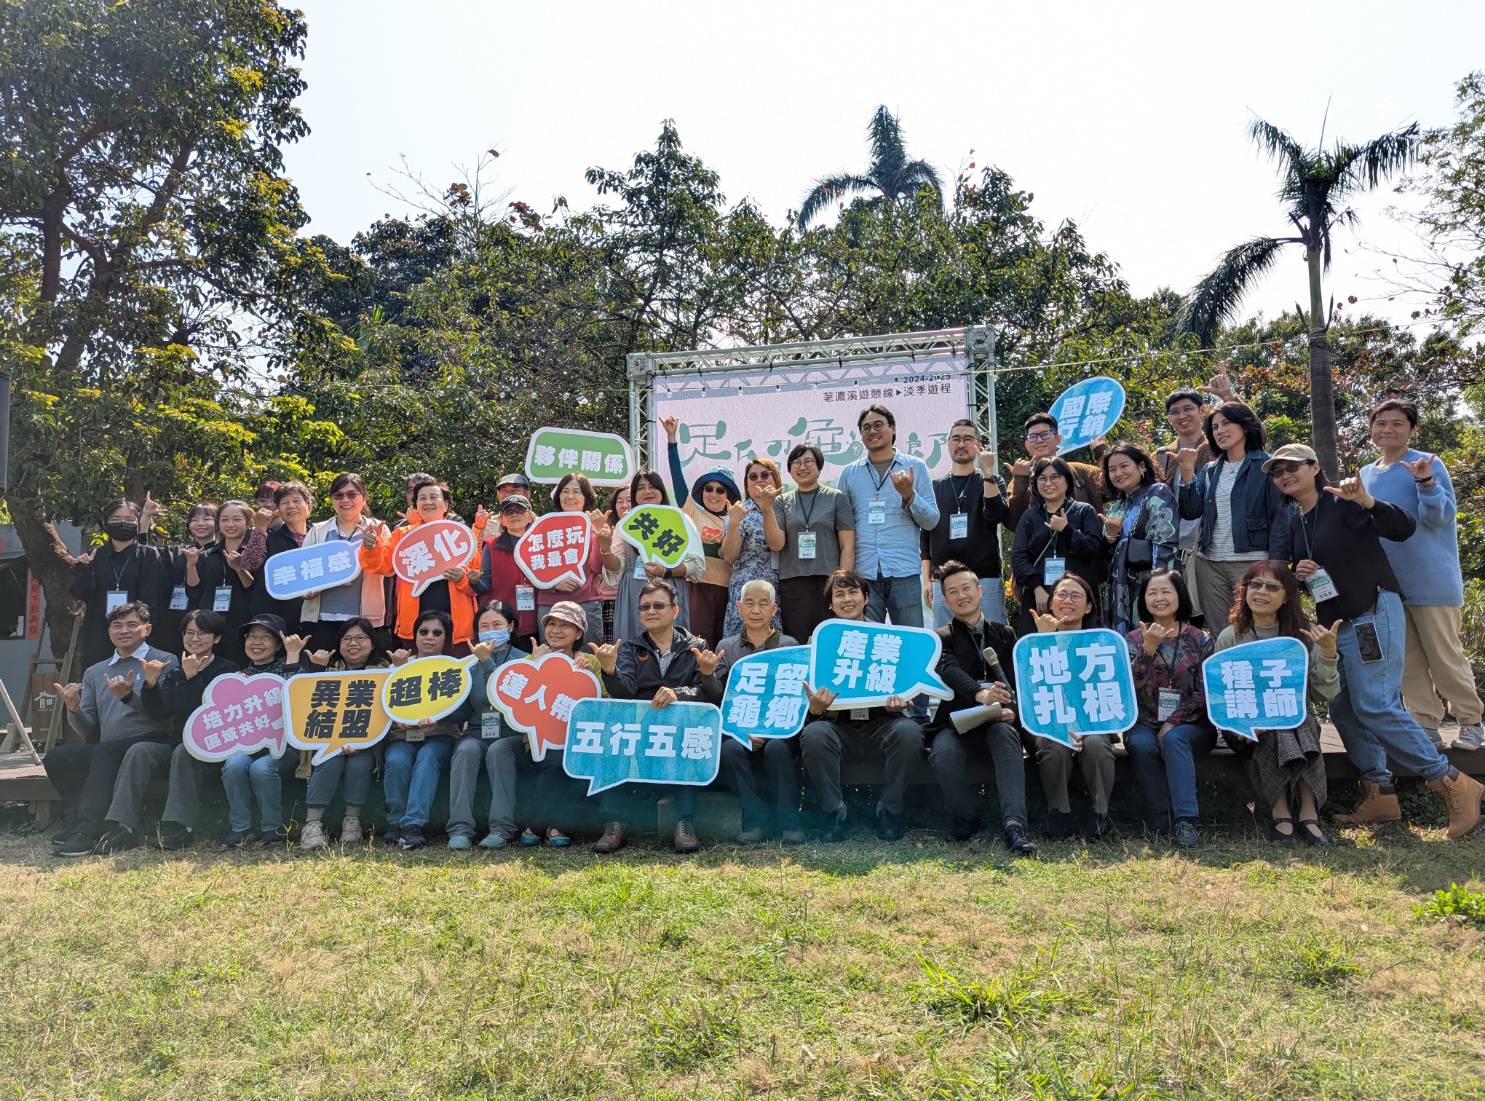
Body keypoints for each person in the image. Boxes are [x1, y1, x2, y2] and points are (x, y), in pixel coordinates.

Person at [1269, 443, 1483, 838]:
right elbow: (1321, 572)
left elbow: (1403, 527)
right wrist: (1303, 572)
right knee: (1345, 709)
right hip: (1339, 624)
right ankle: (1380, 793)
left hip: (1372, 612)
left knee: (1374, 703)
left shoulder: (1345, 501)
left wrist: (1368, 501)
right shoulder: (1298, 519)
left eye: (1292, 467)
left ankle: (1453, 782)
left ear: (1315, 467)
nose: (1285, 475)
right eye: (1278, 471)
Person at [1360, 399, 1483, 751]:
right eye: (1380, 423)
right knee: (1407, 661)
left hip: (1432, 581)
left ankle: (1471, 722)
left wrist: (1426, 482)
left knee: (1445, 657)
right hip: (1388, 585)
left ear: (1412, 429)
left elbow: (1441, 517)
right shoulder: (1368, 474)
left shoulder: (1427, 463)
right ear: (1371, 430)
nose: (1387, 430)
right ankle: (1425, 725)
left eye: (1397, 424)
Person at [1216, 562, 1341, 847]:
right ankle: (1289, 812)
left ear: (1286, 597)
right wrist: (1242, 724)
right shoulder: (1231, 636)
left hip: (1297, 722)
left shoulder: (1304, 635)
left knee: (1293, 721)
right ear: (1244, 591)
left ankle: (1300, 813)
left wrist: (1329, 652)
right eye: (1255, 585)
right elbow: (1220, 694)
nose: (1262, 592)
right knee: (1279, 724)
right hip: (1244, 728)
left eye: (1272, 587)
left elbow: (1324, 693)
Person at [797, 570, 926, 842]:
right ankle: (835, 813)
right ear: (830, 604)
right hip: (837, 726)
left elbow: (904, 688)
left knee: (909, 732)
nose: (847, 600)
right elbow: (808, 708)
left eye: (853, 592)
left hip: (881, 723)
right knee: (814, 734)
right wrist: (817, 709)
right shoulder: (819, 642)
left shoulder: (889, 640)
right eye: (839, 595)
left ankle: (889, 811)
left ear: (866, 598)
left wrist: (899, 704)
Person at [589, 579, 713, 854]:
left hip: (680, 728)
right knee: (615, 741)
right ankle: (614, 823)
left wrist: (678, 693)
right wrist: (610, 671)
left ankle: (684, 822)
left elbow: (707, 692)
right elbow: (626, 691)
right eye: (645, 607)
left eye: (659, 605)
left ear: (675, 610)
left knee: (688, 742)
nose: (651, 611)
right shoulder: (631, 648)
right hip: (641, 728)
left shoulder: (696, 645)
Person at [46, 603, 179, 857]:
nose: (123, 631)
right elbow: (88, 727)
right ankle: (77, 819)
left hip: (154, 741)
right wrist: (73, 708)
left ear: (147, 629)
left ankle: (87, 830)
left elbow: (165, 713)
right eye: (117, 626)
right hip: (109, 748)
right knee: (57, 756)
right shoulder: (96, 671)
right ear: (108, 632)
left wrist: (130, 697)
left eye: (132, 625)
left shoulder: (163, 661)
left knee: (103, 752)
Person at [927, 561, 1035, 855]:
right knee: (944, 752)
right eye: (952, 592)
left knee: (1006, 736)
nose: (961, 596)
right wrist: (979, 694)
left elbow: (1017, 682)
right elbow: (947, 669)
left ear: (980, 590)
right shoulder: (939, 638)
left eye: (966, 588)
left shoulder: (1005, 633)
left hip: (997, 721)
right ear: (945, 600)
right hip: (954, 722)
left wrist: (1010, 707)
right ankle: (964, 818)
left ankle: (1015, 825)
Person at [125, 611, 239, 850]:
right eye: (189, 633)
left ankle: (179, 826)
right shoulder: (175, 671)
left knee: (184, 752)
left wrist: (192, 677)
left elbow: (209, 714)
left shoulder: (227, 669)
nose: (194, 639)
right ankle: (122, 824)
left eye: (202, 633)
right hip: (177, 742)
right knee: (140, 750)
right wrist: (151, 683)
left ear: (216, 638)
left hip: (214, 747)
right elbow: (160, 713)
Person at [705, 579, 804, 843]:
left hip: (779, 728)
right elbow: (720, 697)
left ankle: (789, 822)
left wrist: (769, 732)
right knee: (730, 750)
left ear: (775, 610)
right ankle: (755, 821)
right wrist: (706, 675)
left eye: (763, 604)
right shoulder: (725, 647)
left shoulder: (789, 645)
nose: (756, 610)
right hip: (739, 729)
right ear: (739, 608)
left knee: (777, 750)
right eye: (749, 603)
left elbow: (793, 697)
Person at [1176, 401, 1288, 628]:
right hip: (1209, 564)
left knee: (1258, 626)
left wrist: (1276, 564)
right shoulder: (1210, 469)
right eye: (1215, 427)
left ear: (1245, 426)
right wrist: (1187, 471)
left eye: (1226, 423)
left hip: (1253, 561)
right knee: (1221, 630)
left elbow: (1280, 517)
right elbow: (1190, 511)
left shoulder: (1267, 465)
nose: (1219, 431)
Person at [1122, 570, 1215, 847]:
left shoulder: (1201, 640)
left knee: (1174, 739)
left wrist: (1174, 721)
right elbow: (1126, 687)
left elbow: (1207, 692)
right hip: (1145, 721)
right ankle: (1160, 815)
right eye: (1152, 592)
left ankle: (1186, 820)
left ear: (1179, 596)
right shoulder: (1132, 640)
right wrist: (1147, 651)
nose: (1159, 598)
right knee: (1140, 743)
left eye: (1166, 591)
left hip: (1192, 725)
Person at [1028, 574, 1118, 839]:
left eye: (1076, 595)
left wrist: (1085, 725)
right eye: (1061, 595)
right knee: (1053, 745)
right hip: (1051, 721)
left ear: (1089, 606)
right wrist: (1043, 640)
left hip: (1093, 722)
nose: (1067, 600)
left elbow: (1113, 690)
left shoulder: (1102, 643)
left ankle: (1101, 814)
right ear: (1051, 602)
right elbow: (1030, 689)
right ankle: (1059, 813)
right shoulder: (1031, 642)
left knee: (1095, 745)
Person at [291, 618, 391, 850]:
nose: (352, 644)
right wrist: (315, 670)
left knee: (359, 762)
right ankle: (312, 824)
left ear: (372, 643)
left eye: (360, 638)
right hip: (328, 740)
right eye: (346, 639)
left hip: (369, 743)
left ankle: (352, 821)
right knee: (329, 760)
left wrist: (363, 742)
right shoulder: (326, 670)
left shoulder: (386, 672)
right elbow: (305, 709)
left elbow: (387, 715)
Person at [446, 602, 540, 849]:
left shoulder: (525, 661)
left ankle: (502, 828)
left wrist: (487, 664)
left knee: (499, 750)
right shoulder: (467, 665)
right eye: (483, 626)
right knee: (465, 751)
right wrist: (435, 712)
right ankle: (460, 828)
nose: (490, 631)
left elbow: (508, 698)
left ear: (510, 627)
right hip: (477, 730)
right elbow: (464, 709)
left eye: (497, 625)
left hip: (512, 733)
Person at [835, 404, 939, 626]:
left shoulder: (915, 466)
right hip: (863, 574)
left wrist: (909, 495)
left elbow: (931, 521)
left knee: (910, 641)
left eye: (878, 425)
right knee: (867, 642)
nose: (872, 431)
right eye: (866, 428)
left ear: (892, 428)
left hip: (904, 572)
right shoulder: (850, 473)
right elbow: (842, 526)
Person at [360, 476, 482, 651]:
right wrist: (370, 548)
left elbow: (477, 585)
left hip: (458, 629)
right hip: (414, 627)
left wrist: (462, 579)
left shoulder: (461, 536)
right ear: (415, 505)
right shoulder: (402, 535)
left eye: (434, 497)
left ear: (446, 505)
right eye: (422, 498)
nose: (428, 502)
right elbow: (381, 566)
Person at [1154, 368, 1237, 623]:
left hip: (1213, 545)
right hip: (1172, 549)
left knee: (1219, 617)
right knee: (1178, 618)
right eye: (1174, 412)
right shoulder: (1161, 455)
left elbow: (1251, 435)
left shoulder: (1219, 447)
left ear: (1202, 411)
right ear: (1169, 419)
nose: (1182, 416)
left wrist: (1227, 397)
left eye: (1188, 408)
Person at [382, 609, 469, 849]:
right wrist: (395, 718)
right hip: (402, 735)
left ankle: (412, 824)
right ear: (415, 635)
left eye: (437, 633)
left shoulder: (454, 669)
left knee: (427, 758)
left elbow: (464, 711)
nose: (429, 637)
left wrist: (440, 719)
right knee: (397, 761)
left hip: (440, 735)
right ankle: (395, 822)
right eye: (423, 632)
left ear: (446, 638)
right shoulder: (400, 665)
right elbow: (381, 706)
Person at [68, 499, 182, 668]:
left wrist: (139, 631)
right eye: (116, 519)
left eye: (129, 520)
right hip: (99, 635)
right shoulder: (95, 556)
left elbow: (153, 600)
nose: (123, 523)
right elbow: (79, 593)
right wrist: (84, 570)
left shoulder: (149, 555)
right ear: (106, 523)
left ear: (137, 522)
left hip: (137, 638)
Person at [217, 614, 295, 846]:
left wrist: (293, 655)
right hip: (246, 746)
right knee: (233, 765)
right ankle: (241, 828)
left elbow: (296, 696)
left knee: (262, 768)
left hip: (283, 747)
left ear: (278, 644)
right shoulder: (237, 677)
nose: (257, 643)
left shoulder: (291, 669)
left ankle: (272, 828)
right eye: (252, 637)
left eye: (265, 637)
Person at [921, 420, 1008, 629]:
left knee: (994, 641)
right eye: (956, 439)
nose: (961, 444)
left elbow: (995, 515)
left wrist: (987, 473)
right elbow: (925, 537)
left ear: (978, 444)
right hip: (944, 581)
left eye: (968, 439)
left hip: (984, 579)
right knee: (948, 646)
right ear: (948, 444)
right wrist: (928, 580)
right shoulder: (934, 487)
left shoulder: (992, 481)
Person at [604, 470, 706, 646]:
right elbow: (615, 568)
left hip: (670, 590)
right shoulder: (626, 524)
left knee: (672, 649)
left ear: (662, 490)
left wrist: (666, 571)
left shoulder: (679, 519)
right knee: (633, 650)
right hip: (633, 595)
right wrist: (604, 548)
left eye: (652, 486)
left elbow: (695, 566)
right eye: (641, 488)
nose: (647, 491)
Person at [1010, 457, 1109, 637]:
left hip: (1077, 597)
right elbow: (1018, 557)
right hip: (1039, 598)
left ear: (1067, 481)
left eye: (1055, 477)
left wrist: (1066, 530)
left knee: (1081, 649)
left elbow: (1095, 549)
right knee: (1040, 651)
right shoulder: (1030, 516)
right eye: (1042, 478)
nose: (1048, 483)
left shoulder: (1084, 511)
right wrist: (1036, 588)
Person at [664, 415, 738, 646]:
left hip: (729, 590)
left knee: (723, 643)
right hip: (698, 588)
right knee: (698, 642)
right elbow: (677, 480)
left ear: (729, 496)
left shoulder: (737, 519)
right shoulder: (693, 512)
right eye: (709, 488)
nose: (714, 494)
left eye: (721, 490)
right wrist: (672, 439)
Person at [770, 443, 856, 643]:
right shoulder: (781, 501)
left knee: (830, 640)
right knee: (796, 641)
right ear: (790, 469)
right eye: (796, 463)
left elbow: (848, 545)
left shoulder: (836, 498)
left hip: (828, 582)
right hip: (792, 583)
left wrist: (843, 583)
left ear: (819, 466)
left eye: (808, 461)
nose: (802, 467)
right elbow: (777, 543)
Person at [297, 474, 383, 652]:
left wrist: (373, 546)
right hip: (321, 618)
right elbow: (302, 573)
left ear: (364, 497)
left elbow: (387, 568)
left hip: (364, 620)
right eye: (338, 495)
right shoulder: (318, 531)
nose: (345, 500)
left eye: (352, 495)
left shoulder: (378, 529)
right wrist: (306, 591)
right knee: (320, 672)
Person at [1101, 443, 1179, 634]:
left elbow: (1165, 543)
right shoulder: (1117, 506)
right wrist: (1110, 535)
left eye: (1124, 466)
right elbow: (1108, 551)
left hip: (1148, 582)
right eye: (1112, 469)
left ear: (1141, 466)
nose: (1118, 473)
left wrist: (1157, 586)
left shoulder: (1157, 492)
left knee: (1152, 634)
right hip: (1120, 586)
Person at [535, 473, 615, 647]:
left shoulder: (597, 525)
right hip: (550, 604)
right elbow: (532, 565)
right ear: (558, 496)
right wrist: (554, 583)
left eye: (576, 492)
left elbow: (596, 567)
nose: (570, 496)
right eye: (565, 491)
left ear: (586, 497)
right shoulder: (543, 525)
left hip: (586, 604)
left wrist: (597, 532)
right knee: (552, 664)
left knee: (588, 662)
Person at [186, 499, 265, 663]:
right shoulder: (207, 554)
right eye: (224, 520)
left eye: (237, 519)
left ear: (247, 522)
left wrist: (238, 568)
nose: (230, 524)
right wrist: (191, 565)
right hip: (210, 627)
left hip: (242, 624)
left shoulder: (254, 552)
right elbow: (194, 590)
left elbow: (253, 589)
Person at [1003, 412, 1106, 531]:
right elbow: (1014, 524)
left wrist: (1101, 453)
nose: (1039, 440)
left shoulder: (1081, 471)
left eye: (1045, 434)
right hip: (1041, 548)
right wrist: (1020, 481)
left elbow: (1116, 487)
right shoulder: (1019, 481)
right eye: (1033, 437)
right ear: (1027, 445)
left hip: (1085, 545)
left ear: (1058, 439)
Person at [720, 457, 784, 639]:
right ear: (747, 486)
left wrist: (768, 508)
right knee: (741, 644)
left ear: (776, 479)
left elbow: (778, 544)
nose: (759, 480)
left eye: (765, 475)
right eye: (753, 477)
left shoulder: (786, 506)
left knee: (774, 646)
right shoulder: (741, 511)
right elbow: (729, 557)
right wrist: (733, 523)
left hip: (780, 590)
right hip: (747, 590)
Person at [471, 494, 541, 647]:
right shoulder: (490, 546)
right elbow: (485, 586)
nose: (514, 515)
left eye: (520, 510)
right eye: (509, 512)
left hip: (536, 620)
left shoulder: (542, 545)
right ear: (501, 519)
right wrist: (475, 581)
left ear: (530, 517)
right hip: (501, 624)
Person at [256, 480, 314, 635]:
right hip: (279, 619)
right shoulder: (268, 537)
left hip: (315, 616)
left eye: (297, 501)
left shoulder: (321, 536)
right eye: (284, 503)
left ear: (309, 507)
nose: (291, 506)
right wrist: (260, 528)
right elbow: (249, 563)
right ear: (279, 510)